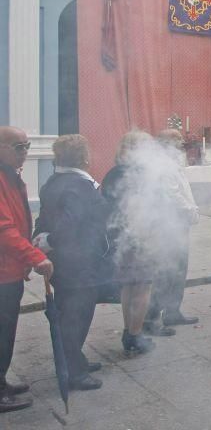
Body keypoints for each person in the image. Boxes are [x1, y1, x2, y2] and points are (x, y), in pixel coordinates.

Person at [35, 135, 109, 391]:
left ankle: (75, 359)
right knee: (76, 315)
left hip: (64, 261)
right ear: (84, 157)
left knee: (70, 311)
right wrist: (52, 240)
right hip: (78, 261)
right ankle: (74, 372)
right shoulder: (79, 185)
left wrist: (41, 240)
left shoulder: (53, 181)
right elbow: (72, 222)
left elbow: (44, 218)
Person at [0, 126, 53, 412]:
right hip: (1, 273)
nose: (25, 153)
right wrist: (35, 257)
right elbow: (4, 230)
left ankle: (1, 381)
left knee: (6, 332)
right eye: (18, 147)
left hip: (9, 269)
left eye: (27, 146)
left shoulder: (10, 175)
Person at [102, 131, 159, 356]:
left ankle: (129, 331)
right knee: (143, 285)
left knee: (128, 286)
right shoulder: (140, 174)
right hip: (139, 236)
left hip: (120, 236)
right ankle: (135, 335)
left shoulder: (113, 172)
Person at [144, 130, 200, 334]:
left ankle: (172, 310)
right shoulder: (162, 165)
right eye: (178, 143)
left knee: (178, 269)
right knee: (166, 271)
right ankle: (151, 317)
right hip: (168, 224)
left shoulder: (171, 162)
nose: (181, 146)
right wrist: (190, 210)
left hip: (178, 223)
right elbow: (172, 193)